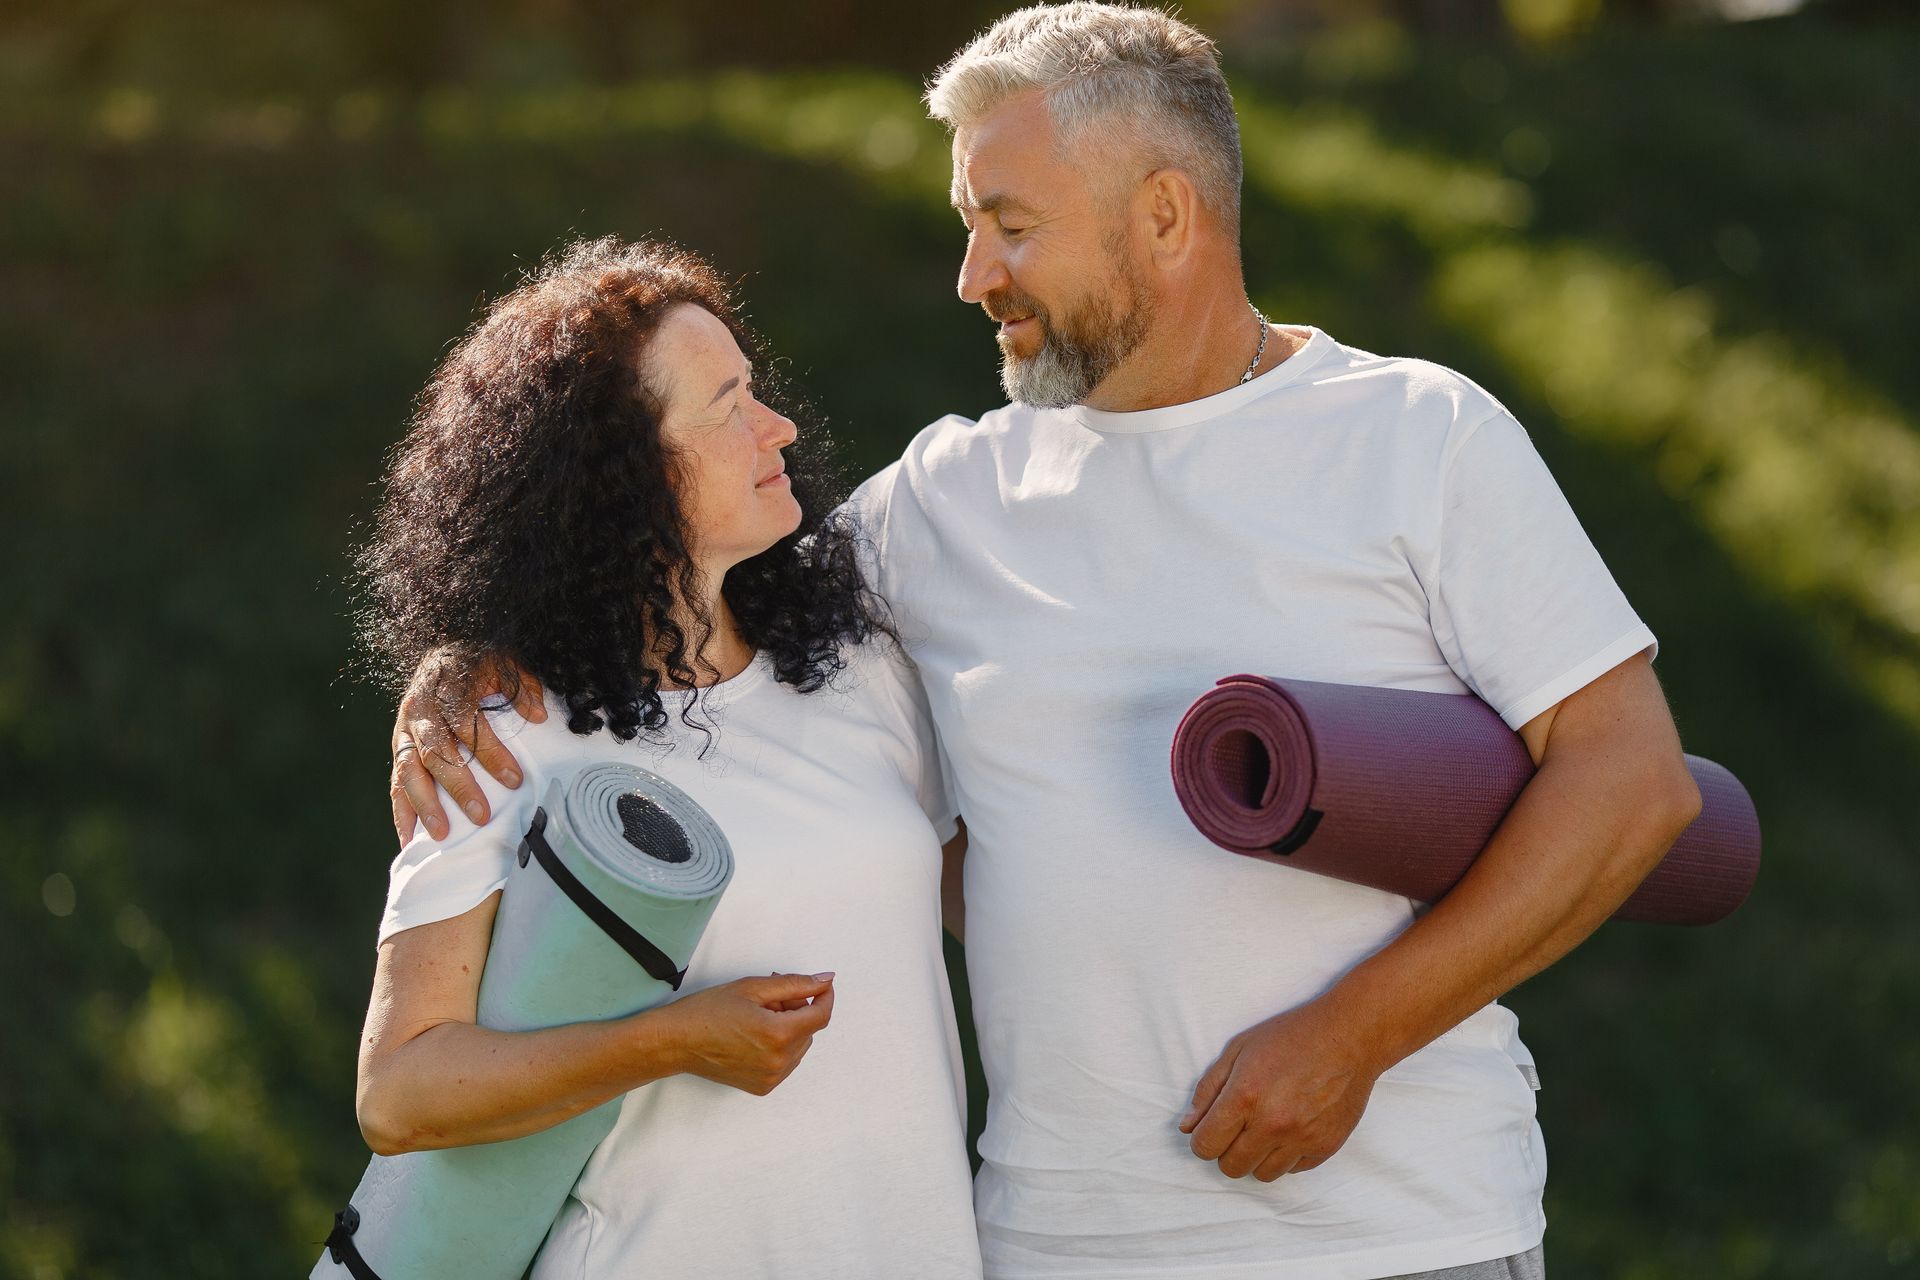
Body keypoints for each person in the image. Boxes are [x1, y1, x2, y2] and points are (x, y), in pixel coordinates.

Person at [389, 6, 1703, 1278]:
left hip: (1402, 1234)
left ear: (1166, 216)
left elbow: (1629, 782)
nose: (973, 277)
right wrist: (469, 660)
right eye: (970, 228)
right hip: (1061, 1245)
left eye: (1011, 227)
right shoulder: (940, 508)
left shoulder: (1421, 438)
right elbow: (662, 566)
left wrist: (1355, 1036)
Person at [346, 236, 981, 1279]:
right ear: (619, 484)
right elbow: (401, 1091)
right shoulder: (503, 735)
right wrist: (671, 1039)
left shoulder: (860, 665)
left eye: (756, 389)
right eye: (727, 405)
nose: (777, 425)